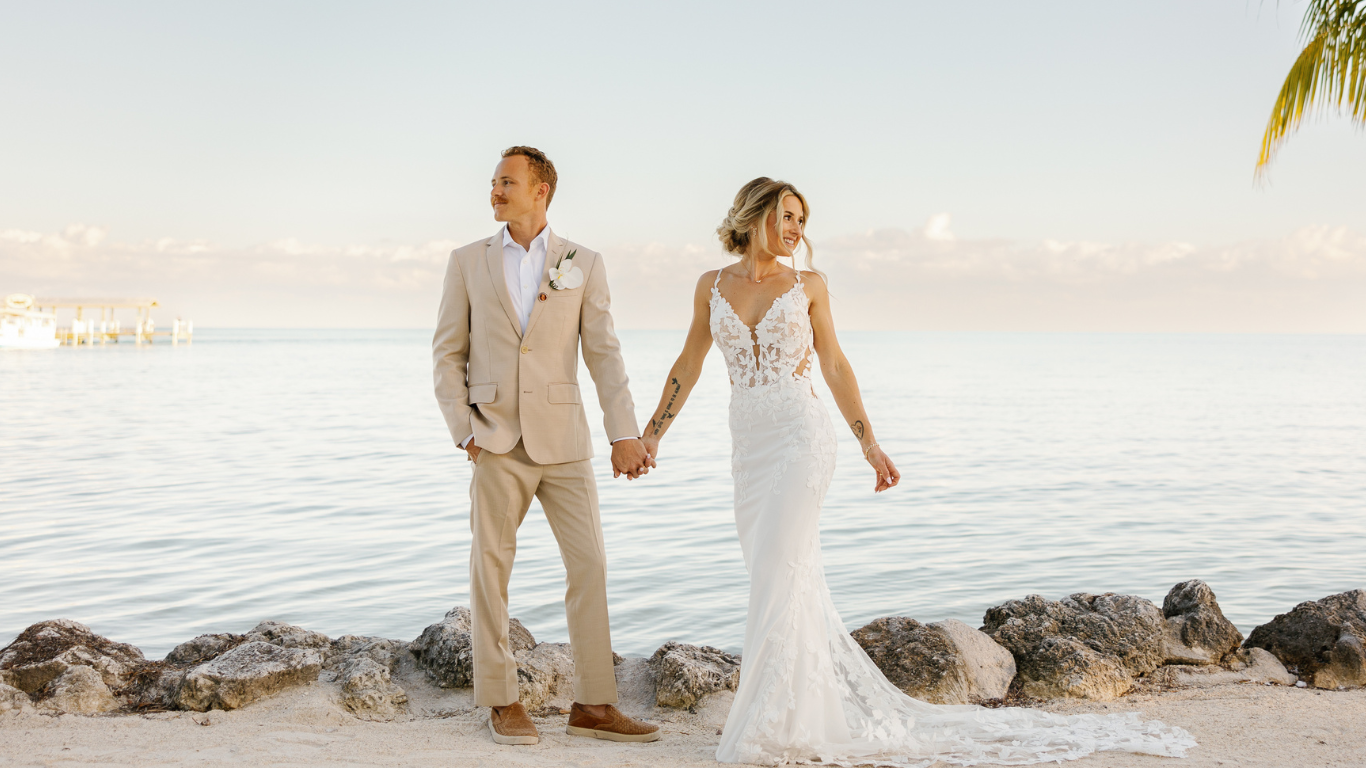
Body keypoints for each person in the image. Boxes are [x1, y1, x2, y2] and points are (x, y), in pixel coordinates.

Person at [639, 177, 1197, 765]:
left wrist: (869, 445)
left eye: (803, 219)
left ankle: (764, 720)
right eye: (788, 216)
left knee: (780, 568)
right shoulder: (710, 286)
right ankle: (801, 713)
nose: (798, 229)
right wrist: (653, 434)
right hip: (747, 450)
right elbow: (690, 361)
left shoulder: (808, 286)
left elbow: (833, 363)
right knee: (776, 577)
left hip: (802, 441)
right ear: (755, 217)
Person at [432, 146, 660, 746]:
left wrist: (624, 433)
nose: (495, 190)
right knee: (490, 569)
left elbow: (604, 353)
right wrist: (466, 432)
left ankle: (593, 704)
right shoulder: (466, 262)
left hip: (565, 442)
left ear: (541, 191)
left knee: (589, 566)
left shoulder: (582, 261)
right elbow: (446, 353)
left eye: (507, 181)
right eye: (492, 182)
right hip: (496, 439)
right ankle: (501, 699)